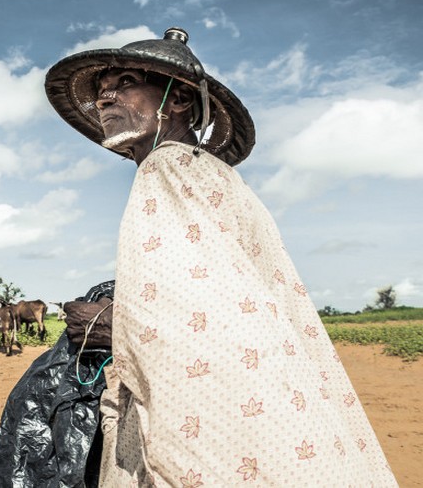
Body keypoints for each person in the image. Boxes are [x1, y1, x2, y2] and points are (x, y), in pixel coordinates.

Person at [41, 28, 398, 486]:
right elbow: (228, 303)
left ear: (178, 101)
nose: (105, 96)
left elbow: (190, 320)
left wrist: (114, 324)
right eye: (102, 89)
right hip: (273, 403)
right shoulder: (217, 176)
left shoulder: (164, 169)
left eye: (126, 81)